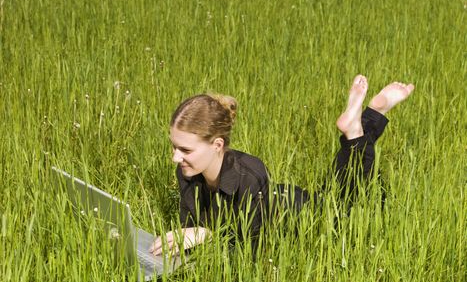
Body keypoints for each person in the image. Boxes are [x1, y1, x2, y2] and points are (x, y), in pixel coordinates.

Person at [149, 75, 415, 256]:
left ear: (217, 145)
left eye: (185, 149)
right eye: (174, 146)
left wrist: (206, 235)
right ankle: (366, 120)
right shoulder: (187, 170)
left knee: (361, 204)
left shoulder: (249, 175)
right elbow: (192, 231)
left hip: (300, 214)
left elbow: (251, 250)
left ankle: (359, 127)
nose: (175, 157)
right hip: (271, 200)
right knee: (340, 187)